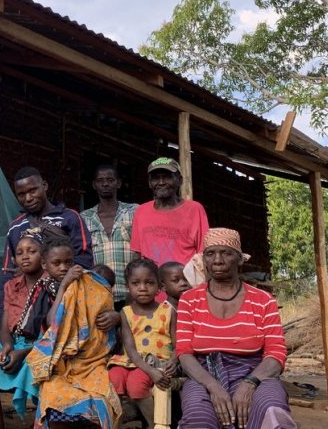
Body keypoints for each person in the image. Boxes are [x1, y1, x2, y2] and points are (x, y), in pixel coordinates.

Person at [176, 228, 295, 429]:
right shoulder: (189, 300)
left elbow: (276, 353)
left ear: (240, 260)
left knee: (271, 409)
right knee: (198, 417)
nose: (218, 260)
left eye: (227, 253)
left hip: (255, 373)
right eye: (210, 253)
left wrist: (249, 383)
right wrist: (213, 386)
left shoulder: (263, 300)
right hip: (203, 374)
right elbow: (185, 353)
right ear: (204, 260)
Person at [27, 241, 122, 429]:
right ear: (45, 264)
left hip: (92, 363)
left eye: (68, 263)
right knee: (53, 395)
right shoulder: (45, 290)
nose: (64, 268)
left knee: (98, 397)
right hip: (60, 365)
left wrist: (116, 317)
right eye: (57, 263)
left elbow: (109, 319)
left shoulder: (87, 288)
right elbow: (53, 324)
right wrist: (64, 286)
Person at [0, 229, 48, 429]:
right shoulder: (11, 286)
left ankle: (41, 424)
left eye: (31, 251)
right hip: (15, 343)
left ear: (43, 256)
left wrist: (23, 353)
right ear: (14, 259)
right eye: (20, 252)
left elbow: (54, 333)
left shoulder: (52, 286)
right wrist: (7, 345)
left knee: (44, 363)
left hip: (42, 346)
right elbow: (5, 325)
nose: (25, 256)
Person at [1, 167, 93, 317]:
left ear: (44, 186)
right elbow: (7, 275)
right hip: (26, 310)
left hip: (65, 303)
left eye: (33, 190)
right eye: (21, 194)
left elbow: (85, 260)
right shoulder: (15, 228)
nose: (28, 198)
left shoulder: (70, 218)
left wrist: (44, 272)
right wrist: (2, 327)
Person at [108, 258, 177, 426]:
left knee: (136, 383)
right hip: (132, 360)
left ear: (159, 287)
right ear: (128, 287)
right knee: (113, 378)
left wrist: (174, 360)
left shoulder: (168, 311)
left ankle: (154, 424)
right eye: (136, 283)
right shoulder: (126, 312)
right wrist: (148, 371)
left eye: (149, 283)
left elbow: (178, 343)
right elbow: (130, 350)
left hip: (158, 362)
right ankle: (113, 423)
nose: (143, 288)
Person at [131, 157, 209, 272]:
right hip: (153, 285)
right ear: (149, 183)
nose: (161, 182)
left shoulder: (195, 209)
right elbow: (138, 254)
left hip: (185, 284)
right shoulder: (141, 211)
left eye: (167, 177)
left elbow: (204, 252)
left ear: (180, 180)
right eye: (156, 178)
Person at [81, 164, 138, 309]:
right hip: (98, 294)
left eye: (110, 180)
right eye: (100, 180)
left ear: (118, 183)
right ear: (94, 185)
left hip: (132, 294)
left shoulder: (134, 211)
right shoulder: (84, 218)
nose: (105, 183)